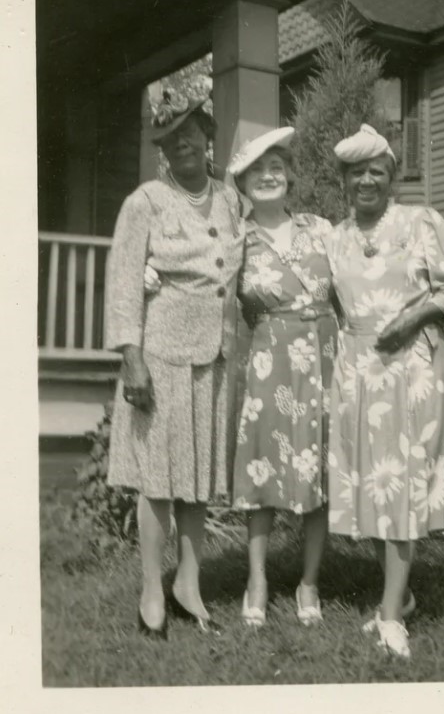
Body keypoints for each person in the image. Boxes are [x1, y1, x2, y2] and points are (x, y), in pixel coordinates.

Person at [325, 123, 444, 660]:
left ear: (391, 177)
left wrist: (413, 316)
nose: (367, 180)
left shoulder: (420, 222)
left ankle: (391, 618)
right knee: (370, 487)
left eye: (377, 171)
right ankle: (402, 595)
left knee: (402, 487)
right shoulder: (335, 237)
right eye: (356, 172)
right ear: (344, 179)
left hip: (412, 367)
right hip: (358, 369)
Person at [105, 90, 244, 639]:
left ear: (207, 134)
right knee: (159, 481)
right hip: (160, 359)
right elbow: (122, 288)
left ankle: (189, 585)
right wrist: (130, 358)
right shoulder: (145, 201)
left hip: (212, 358)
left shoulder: (231, 201)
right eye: (168, 137)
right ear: (162, 148)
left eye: (189, 130)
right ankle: (149, 591)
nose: (180, 142)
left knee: (198, 480)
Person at [227, 127, 337, 628]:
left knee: (317, 471)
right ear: (242, 182)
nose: (267, 175)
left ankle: (309, 583)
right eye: (256, 170)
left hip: (324, 360)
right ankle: (257, 580)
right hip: (270, 364)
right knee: (264, 472)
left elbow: (357, 279)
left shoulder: (321, 228)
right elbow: (207, 288)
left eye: (275, 166)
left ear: (289, 175)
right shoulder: (237, 240)